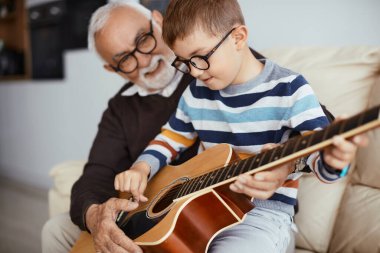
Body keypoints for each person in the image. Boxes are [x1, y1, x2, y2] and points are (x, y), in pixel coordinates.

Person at [41, 1, 310, 253]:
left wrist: (287, 165)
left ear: (158, 21)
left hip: (239, 214)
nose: (145, 61)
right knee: (56, 230)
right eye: (125, 59)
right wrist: (96, 215)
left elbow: (315, 131)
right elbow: (96, 175)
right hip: (153, 216)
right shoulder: (122, 108)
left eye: (143, 40)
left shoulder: (216, 68)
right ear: (114, 69)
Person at [113, 1, 369, 253]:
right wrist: (141, 167)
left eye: (200, 57)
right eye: (184, 61)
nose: (194, 72)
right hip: (198, 212)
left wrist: (333, 161)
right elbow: (171, 137)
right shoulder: (196, 94)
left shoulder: (290, 89)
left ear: (238, 37)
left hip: (262, 220)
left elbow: (317, 156)